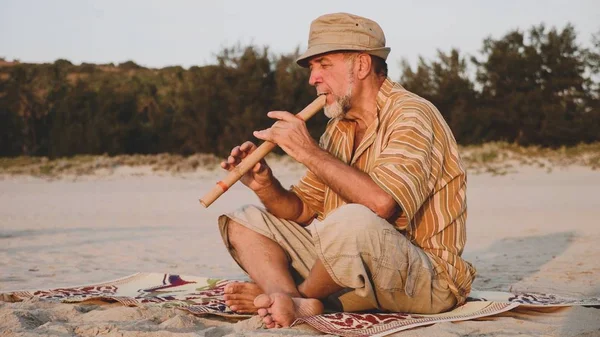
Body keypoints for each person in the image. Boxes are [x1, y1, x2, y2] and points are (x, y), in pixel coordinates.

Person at [218, 12, 476, 329]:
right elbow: (301, 210)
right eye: (312, 68)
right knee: (244, 218)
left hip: (424, 279)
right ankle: (288, 299)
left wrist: (307, 150)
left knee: (352, 219)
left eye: (323, 65)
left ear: (362, 65)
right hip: (356, 272)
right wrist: (264, 184)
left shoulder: (413, 115)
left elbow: (381, 204)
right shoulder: (338, 128)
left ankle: (299, 294)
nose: (313, 78)